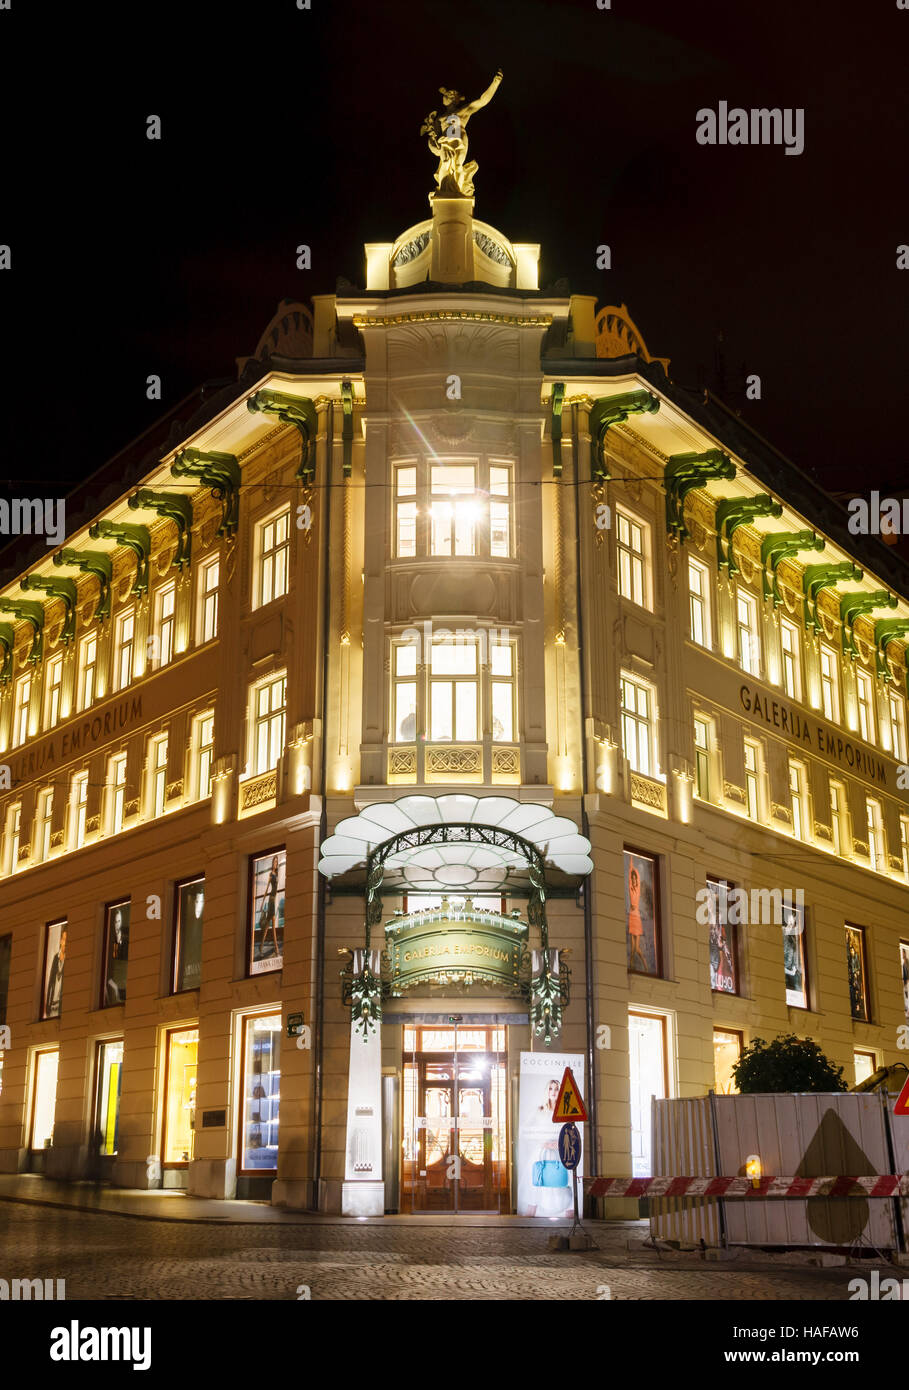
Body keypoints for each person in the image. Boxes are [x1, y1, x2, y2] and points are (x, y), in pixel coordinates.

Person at [525, 1078, 572, 1219]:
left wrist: (560, 1144)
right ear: (547, 1091)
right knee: (537, 1185)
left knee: (561, 1184)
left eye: (556, 1089)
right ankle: (528, 1220)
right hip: (542, 1154)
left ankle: (568, 1219)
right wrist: (541, 1142)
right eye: (551, 1088)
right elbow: (527, 1130)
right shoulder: (540, 1110)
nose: (553, 1092)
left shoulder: (566, 1110)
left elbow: (571, 1132)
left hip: (560, 1153)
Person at [627, 859, 649, 972]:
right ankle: (632, 966)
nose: (634, 881)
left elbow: (638, 877)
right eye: (633, 879)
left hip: (636, 916)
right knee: (632, 948)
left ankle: (644, 966)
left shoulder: (637, 890)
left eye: (635, 880)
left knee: (636, 948)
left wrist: (634, 869)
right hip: (632, 916)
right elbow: (630, 876)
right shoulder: (631, 889)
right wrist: (631, 863)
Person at [257, 856, 281, 959]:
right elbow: (267, 888)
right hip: (271, 900)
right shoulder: (271, 874)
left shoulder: (277, 874)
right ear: (272, 863)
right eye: (274, 862)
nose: (275, 863)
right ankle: (276, 950)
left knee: (267, 926)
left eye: (277, 862)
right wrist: (262, 902)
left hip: (273, 900)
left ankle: (261, 947)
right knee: (273, 925)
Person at [45, 928, 66, 1018]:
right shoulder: (55, 957)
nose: (65, 943)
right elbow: (50, 982)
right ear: (61, 941)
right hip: (53, 1003)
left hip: (61, 1003)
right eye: (64, 939)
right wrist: (48, 1005)